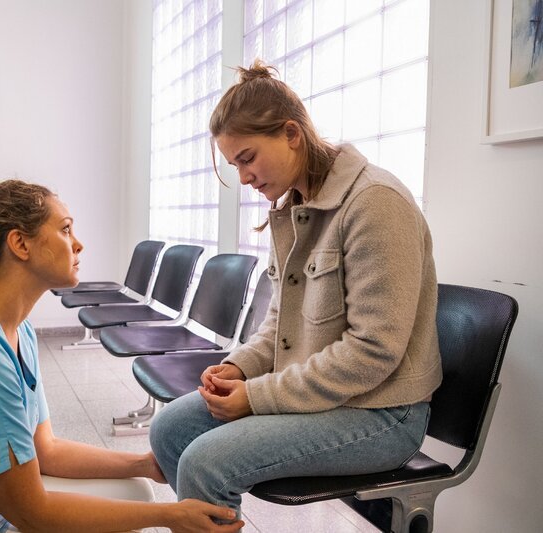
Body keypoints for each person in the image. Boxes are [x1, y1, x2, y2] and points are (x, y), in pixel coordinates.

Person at [0, 169, 243, 533]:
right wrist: (169, 517)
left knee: (137, 488)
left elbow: (46, 451)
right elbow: (31, 513)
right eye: (66, 230)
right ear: (20, 243)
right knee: (135, 511)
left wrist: (144, 464)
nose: (79, 244)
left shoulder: (14, 327)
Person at [149, 60, 443, 518]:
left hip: (384, 412)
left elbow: (374, 350)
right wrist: (241, 369)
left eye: (247, 158)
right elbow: (277, 324)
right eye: (234, 164)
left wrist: (259, 396)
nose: (243, 177)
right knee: (169, 428)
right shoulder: (294, 210)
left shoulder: (376, 204)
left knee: (206, 463)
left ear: (291, 133)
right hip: (332, 396)